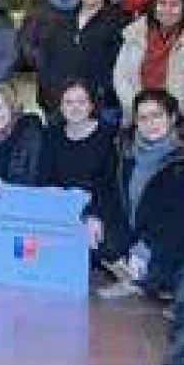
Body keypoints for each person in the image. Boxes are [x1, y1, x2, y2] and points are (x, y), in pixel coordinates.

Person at [97, 89, 184, 301]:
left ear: (172, 117)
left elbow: (183, 220)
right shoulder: (127, 151)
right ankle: (138, 275)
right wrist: (96, 217)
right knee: (100, 241)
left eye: (157, 116)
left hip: (172, 240)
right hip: (137, 231)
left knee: (165, 268)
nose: (150, 124)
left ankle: (150, 279)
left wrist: (145, 249)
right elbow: (113, 195)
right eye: (143, 118)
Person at [39, 78, 121, 265]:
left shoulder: (107, 137)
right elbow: (44, 179)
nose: (75, 107)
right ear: (60, 106)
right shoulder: (52, 135)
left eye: (81, 102)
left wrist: (94, 216)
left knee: (103, 248)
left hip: (97, 209)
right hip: (62, 208)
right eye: (68, 102)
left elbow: (110, 187)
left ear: (91, 105)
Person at [37, 0, 127, 120]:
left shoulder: (119, 22)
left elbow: (122, 69)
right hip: (61, 108)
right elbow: (47, 62)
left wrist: (102, 94)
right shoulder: (62, 21)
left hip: (100, 110)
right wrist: (49, 96)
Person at [114, 0, 184, 126]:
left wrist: (171, 115)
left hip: (177, 119)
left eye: (174, 4)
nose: (167, 9)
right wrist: (137, 111)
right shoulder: (135, 33)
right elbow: (121, 76)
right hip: (137, 117)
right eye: (162, 3)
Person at [18, 0, 80, 76]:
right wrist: (42, 61)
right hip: (50, 80)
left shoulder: (88, 2)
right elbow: (25, 45)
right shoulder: (37, 9)